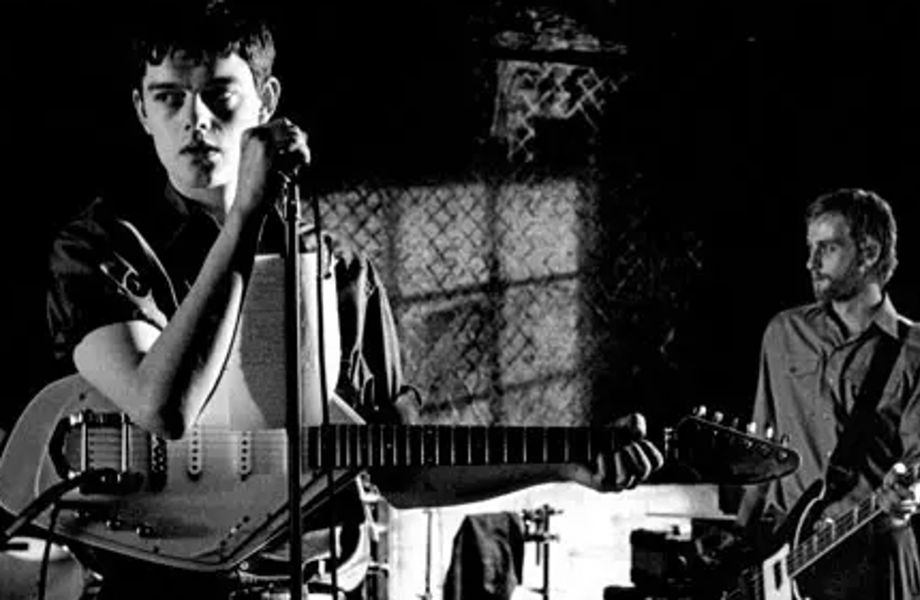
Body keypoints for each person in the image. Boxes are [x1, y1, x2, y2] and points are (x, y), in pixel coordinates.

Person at [40, 2, 662, 598]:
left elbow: (405, 470)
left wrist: (565, 463)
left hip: (306, 584)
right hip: (156, 589)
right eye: (169, 98)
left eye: (219, 94)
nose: (194, 119)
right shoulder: (100, 246)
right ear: (141, 111)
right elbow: (162, 407)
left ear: (267, 102)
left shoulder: (335, 275)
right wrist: (247, 214)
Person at [736, 188, 920, 600]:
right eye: (810, 248)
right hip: (787, 555)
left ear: (868, 253)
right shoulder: (784, 334)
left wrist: (911, 495)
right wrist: (739, 543)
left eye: (827, 248)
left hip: (874, 554)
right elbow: (761, 451)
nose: (810, 263)